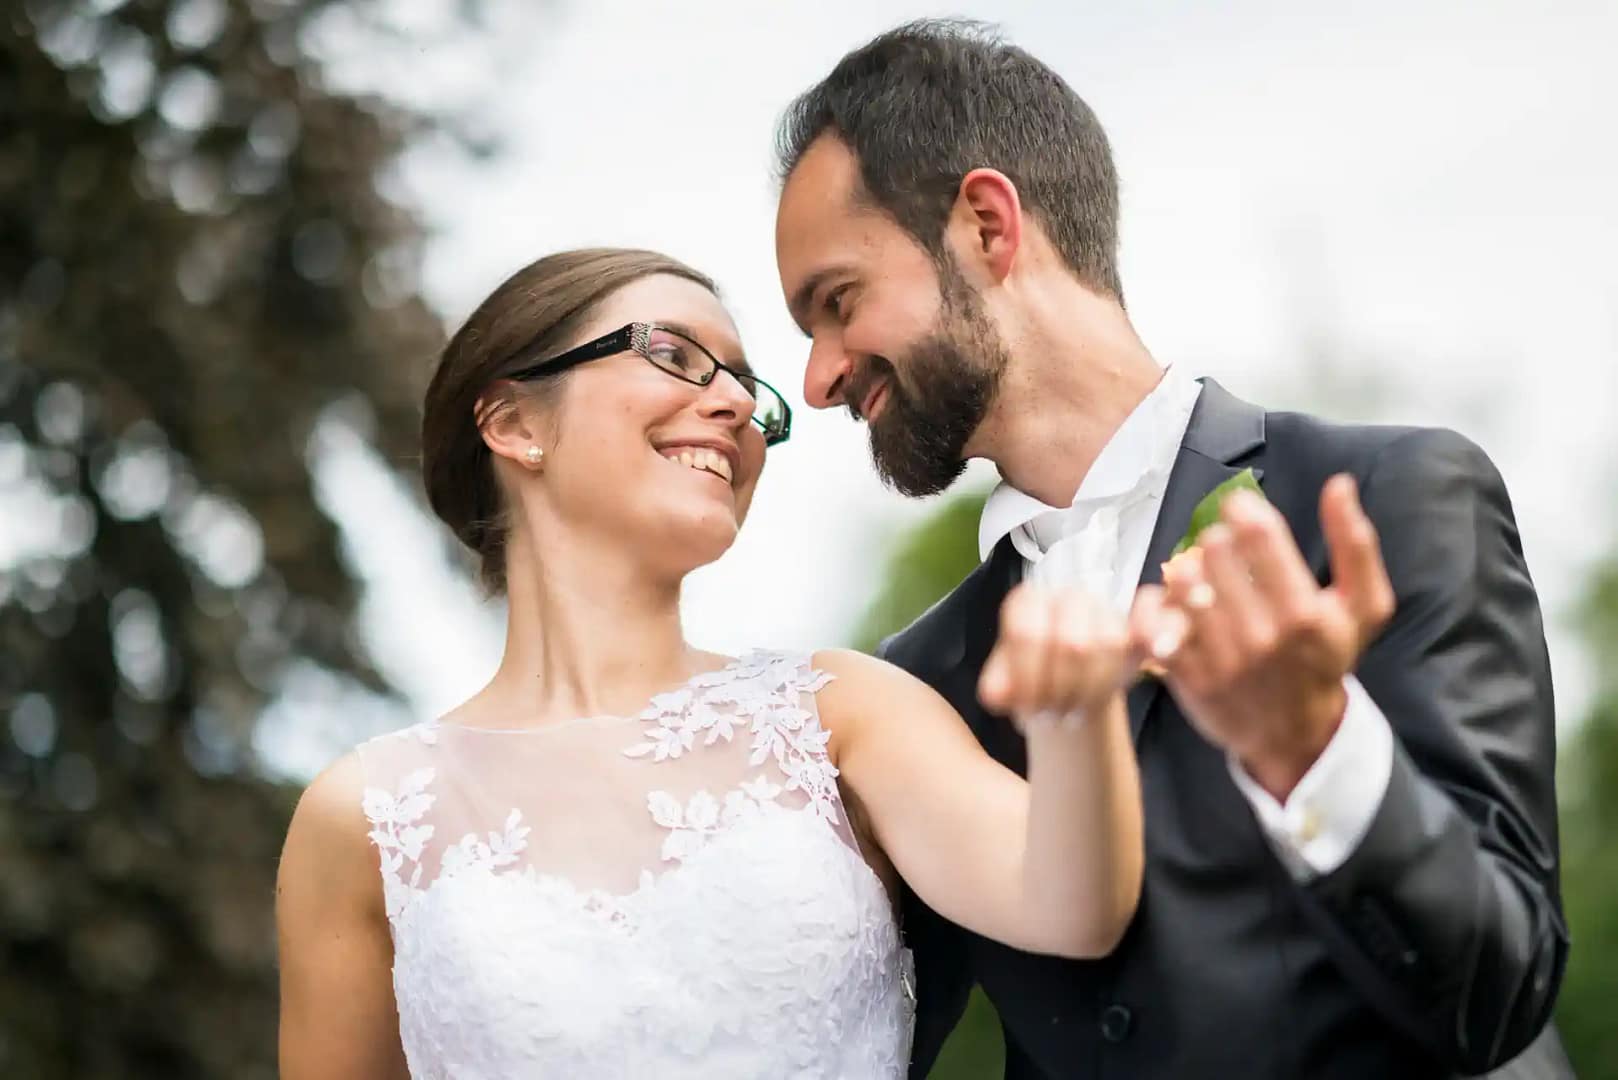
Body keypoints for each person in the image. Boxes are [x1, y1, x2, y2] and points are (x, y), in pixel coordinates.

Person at [773, 18, 1570, 1080]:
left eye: (838, 303)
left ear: (985, 226)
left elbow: (1501, 987)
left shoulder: (1384, 500)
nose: (820, 376)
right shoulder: (918, 684)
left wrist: (1315, 748)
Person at [275, 247, 1154, 1078]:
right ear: (513, 423)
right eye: (677, 355)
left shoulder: (841, 715)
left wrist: (1080, 713)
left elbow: (1071, 904)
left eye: (744, 384)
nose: (734, 403)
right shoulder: (364, 819)